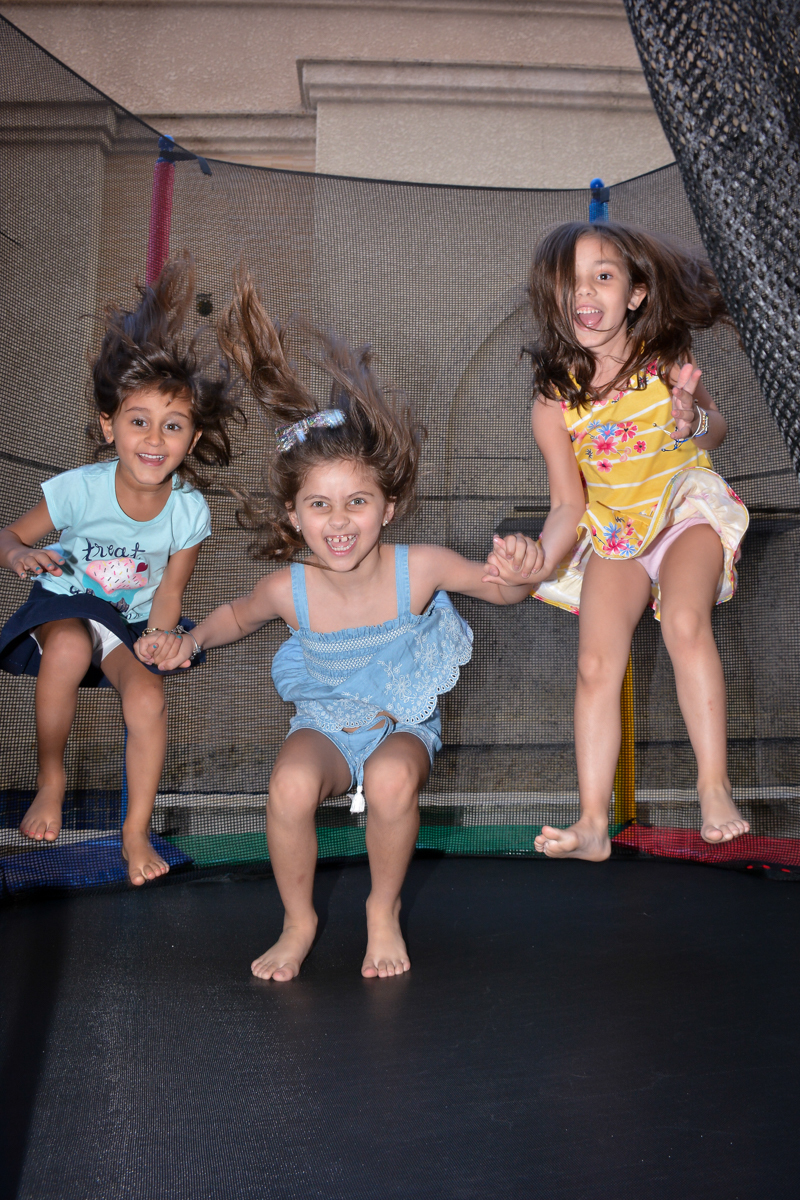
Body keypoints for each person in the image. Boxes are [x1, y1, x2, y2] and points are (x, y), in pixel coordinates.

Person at [158, 272, 542, 980]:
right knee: (290, 786)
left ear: (388, 507)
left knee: (395, 781)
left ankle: (381, 908)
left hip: (401, 722)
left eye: (357, 501)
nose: (339, 522)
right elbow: (234, 616)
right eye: (321, 506)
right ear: (294, 516)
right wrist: (191, 638)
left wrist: (519, 569)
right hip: (326, 725)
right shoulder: (290, 588)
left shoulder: (418, 568)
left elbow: (501, 593)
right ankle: (299, 919)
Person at [0, 254, 242, 884]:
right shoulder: (79, 489)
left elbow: (171, 589)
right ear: (110, 427)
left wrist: (161, 637)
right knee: (67, 649)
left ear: (190, 439)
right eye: (138, 422)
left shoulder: (189, 512)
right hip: (66, 602)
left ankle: (135, 831)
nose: (154, 438)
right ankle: (51, 783)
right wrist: (21, 554)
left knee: (148, 697)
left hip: (128, 616)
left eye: (172, 425)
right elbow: (9, 535)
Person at [521, 221, 750, 860]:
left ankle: (713, 786)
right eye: (571, 281)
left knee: (682, 620)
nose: (586, 292)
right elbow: (569, 503)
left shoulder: (666, 365)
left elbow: (716, 431)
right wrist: (542, 552)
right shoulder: (552, 400)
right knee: (595, 665)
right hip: (615, 531)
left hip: (681, 511)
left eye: (603, 274)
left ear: (637, 294)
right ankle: (594, 822)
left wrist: (692, 418)